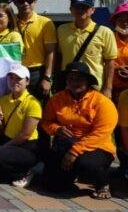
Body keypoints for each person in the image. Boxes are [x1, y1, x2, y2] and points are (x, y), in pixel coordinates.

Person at [41, 61, 117, 200]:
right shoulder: (57, 99)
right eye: (70, 79)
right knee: (52, 186)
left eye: (79, 79)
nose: (74, 82)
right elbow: (46, 122)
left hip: (96, 146)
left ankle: (102, 183)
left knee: (86, 163)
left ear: (88, 81)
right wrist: (56, 129)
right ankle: (70, 176)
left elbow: (101, 133)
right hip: (67, 144)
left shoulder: (102, 102)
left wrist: (74, 151)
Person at [0, 64, 41, 188]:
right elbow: (0, 131)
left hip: (26, 147)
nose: (14, 82)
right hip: (8, 141)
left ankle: (28, 171)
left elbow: (25, 135)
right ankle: (11, 173)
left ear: (27, 81)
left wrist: (3, 147)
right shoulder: (2, 100)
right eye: (11, 78)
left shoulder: (33, 103)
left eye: (18, 79)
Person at [56, 0, 117, 95]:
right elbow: (59, 57)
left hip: (94, 86)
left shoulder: (105, 32)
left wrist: (108, 88)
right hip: (69, 85)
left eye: (84, 7)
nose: (80, 10)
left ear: (92, 10)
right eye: (77, 7)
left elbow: (110, 63)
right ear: (71, 10)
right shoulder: (62, 30)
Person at [13, 0, 57, 100]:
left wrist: (47, 78)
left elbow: (50, 52)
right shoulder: (10, 22)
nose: (25, 3)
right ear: (15, 3)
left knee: (38, 109)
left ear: (35, 2)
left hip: (36, 73)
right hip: (14, 72)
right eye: (21, 1)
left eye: (29, 0)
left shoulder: (45, 23)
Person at [109, 2, 128, 171]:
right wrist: (117, 68)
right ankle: (123, 165)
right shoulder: (109, 37)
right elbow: (104, 60)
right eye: (121, 19)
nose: (125, 23)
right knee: (117, 129)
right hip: (113, 91)